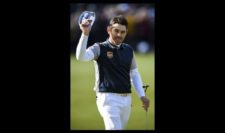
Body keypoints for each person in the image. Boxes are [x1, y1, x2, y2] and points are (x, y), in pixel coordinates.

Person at [76, 14, 150, 130]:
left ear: (126, 32)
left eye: (122, 32)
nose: (119, 35)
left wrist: (142, 95)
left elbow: (134, 74)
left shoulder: (128, 49)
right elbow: (81, 57)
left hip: (126, 100)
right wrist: (85, 34)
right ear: (108, 30)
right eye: (116, 31)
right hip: (107, 98)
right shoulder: (99, 48)